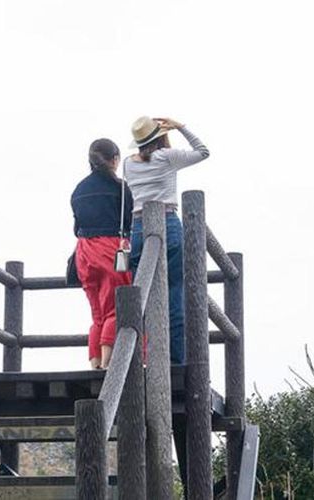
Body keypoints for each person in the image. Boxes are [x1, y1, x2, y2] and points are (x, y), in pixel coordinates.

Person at [124, 116, 210, 365]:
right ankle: (174, 361)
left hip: (138, 228)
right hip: (168, 223)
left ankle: (137, 357)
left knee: (141, 295)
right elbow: (203, 152)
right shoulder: (166, 157)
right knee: (174, 291)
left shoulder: (128, 164)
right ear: (159, 136)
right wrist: (181, 126)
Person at [71, 138, 133, 369]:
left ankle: (94, 361)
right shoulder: (120, 188)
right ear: (115, 159)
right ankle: (108, 365)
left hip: (84, 251)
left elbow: (76, 227)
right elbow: (129, 221)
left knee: (97, 311)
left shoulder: (79, 190)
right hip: (111, 248)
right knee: (116, 305)